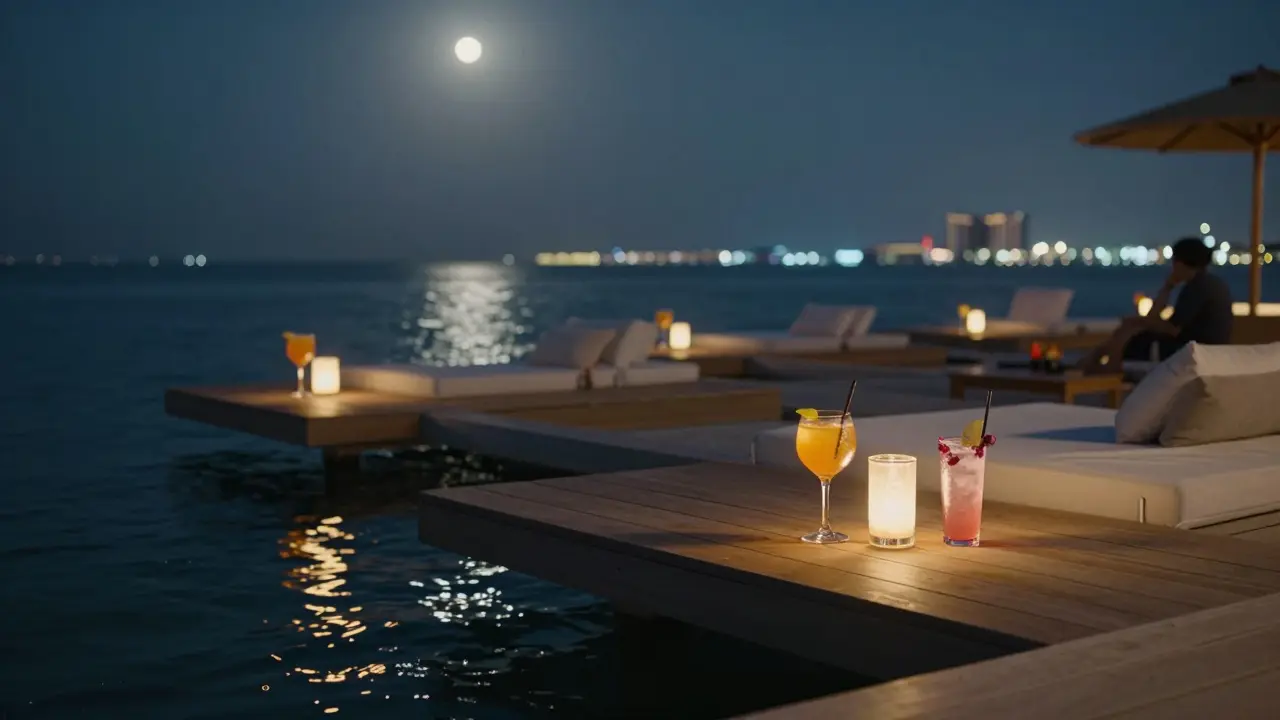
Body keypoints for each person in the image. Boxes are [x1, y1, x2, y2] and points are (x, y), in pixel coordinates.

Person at [1081, 237, 1232, 373]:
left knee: (1126, 334)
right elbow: (1166, 323)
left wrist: (1140, 321)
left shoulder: (1197, 287)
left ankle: (1101, 371)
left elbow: (1172, 328)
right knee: (1128, 331)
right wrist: (1168, 288)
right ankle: (1091, 366)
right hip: (1206, 352)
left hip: (1188, 353)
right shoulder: (1213, 283)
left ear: (1179, 263)